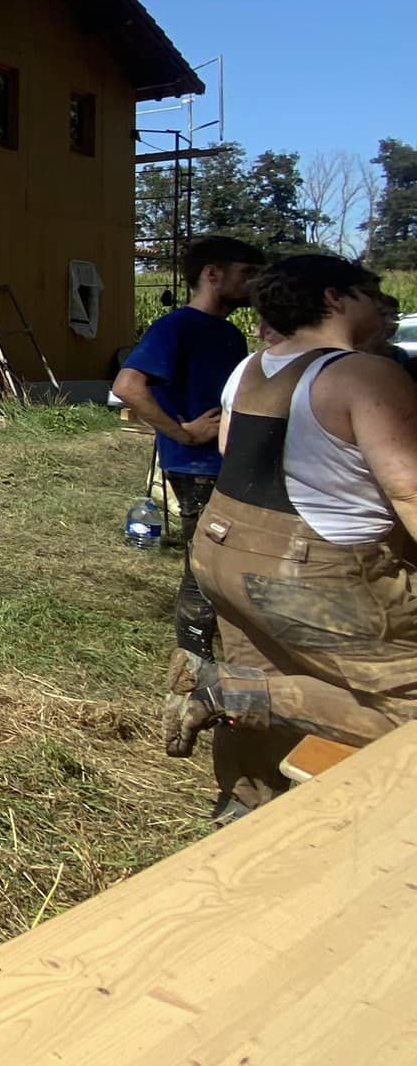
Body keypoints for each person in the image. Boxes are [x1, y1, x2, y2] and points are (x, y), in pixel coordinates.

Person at [163, 254, 417, 811]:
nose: (380, 304)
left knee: (269, 671)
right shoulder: (363, 373)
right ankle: (226, 691)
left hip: (222, 550)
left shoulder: (251, 368)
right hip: (313, 567)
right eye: (371, 292)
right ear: (334, 298)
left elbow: (233, 451)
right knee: (404, 706)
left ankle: (246, 803)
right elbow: (408, 490)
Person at [114, 236, 265, 658]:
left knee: (227, 564)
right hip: (197, 465)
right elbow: (128, 386)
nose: (255, 284)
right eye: (246, 273)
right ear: (212, 275)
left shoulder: (231, 335)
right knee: (204, 569)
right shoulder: (176, 327)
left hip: (228, 462)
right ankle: (195, 662)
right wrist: (183, 433)